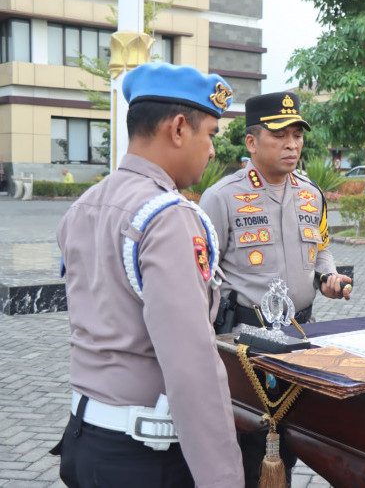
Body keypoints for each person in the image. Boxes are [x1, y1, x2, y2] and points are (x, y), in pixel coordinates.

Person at [51, 62, 244, 487]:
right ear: (178, 129)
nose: (213, 150)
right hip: (143, 458)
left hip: (85, 441)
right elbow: (191, 366)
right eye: (210, 133)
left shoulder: (83, 205)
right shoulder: (168, 218)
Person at [199, 91, 352, 486]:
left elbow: (320, 249)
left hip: (301, 338)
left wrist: (328, 279)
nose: (292, 145)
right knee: (246, 444)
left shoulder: (310, 193)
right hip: (243, 343)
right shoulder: (223, 197)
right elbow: (199, 274)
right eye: (280, 135)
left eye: (298, 135)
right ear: (251, 142)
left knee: (291, 441)